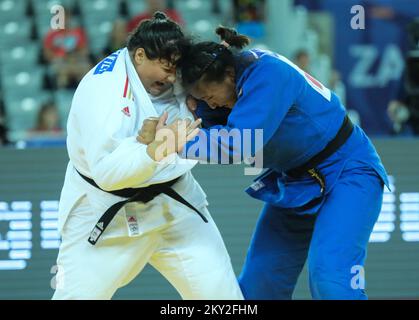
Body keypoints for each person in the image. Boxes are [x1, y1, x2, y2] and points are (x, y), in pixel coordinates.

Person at [143, 26, 389, 300]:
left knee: (331, 280)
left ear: (229, 74)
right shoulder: (218, 91)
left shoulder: (268, 73)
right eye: (202, 100)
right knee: (259, 286)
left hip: (348, 171)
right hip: (295, 181)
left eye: (210, 97)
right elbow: (218, 139)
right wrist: (168, 131)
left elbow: (239, 145)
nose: (210, 106)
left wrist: (170, 142)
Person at [52, 13, 243, 300]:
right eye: (165, 69)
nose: (170, 77)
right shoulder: (103, 91)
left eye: (174, 69)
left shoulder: (176, 70)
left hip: (175, 203)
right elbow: (107, 175)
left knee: (223, 299)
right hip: (106, 210)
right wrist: (153, 151)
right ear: (139, 55)